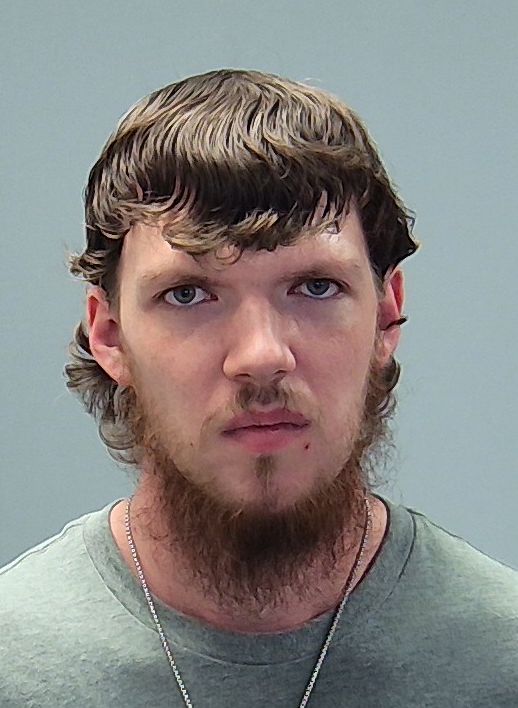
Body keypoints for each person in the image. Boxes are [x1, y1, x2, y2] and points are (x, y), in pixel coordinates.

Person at [1, 69, 517, 708]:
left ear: (386, 315)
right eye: (188, 294)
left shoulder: (503, 661)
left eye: (316, 287)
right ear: (109, 334)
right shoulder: (13, 666)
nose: (262, 356)